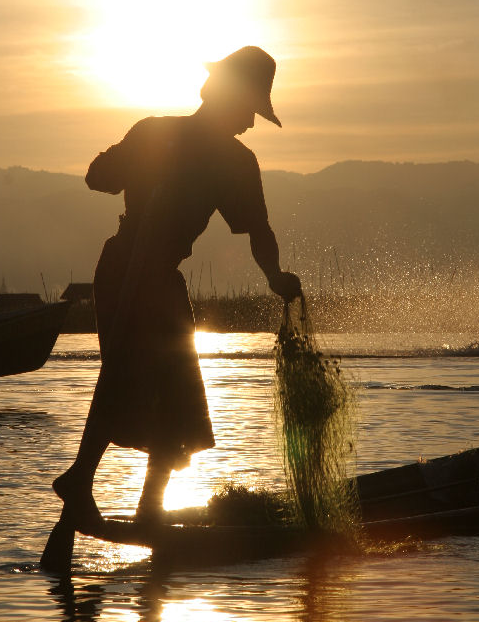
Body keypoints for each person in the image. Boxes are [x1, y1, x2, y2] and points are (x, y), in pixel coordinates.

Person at [53, 45, 301, 527]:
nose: (249, 124)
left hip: (161, 276)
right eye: (247, 110)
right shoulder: (155, 133)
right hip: (125, 266)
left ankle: (149, 504)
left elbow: (259, 231)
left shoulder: (236, 163)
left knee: (179, 395)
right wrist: (140, 164)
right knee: (123, 374)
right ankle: (80, 479)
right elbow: (96, 176)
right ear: (223, 97)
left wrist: (273, 277)